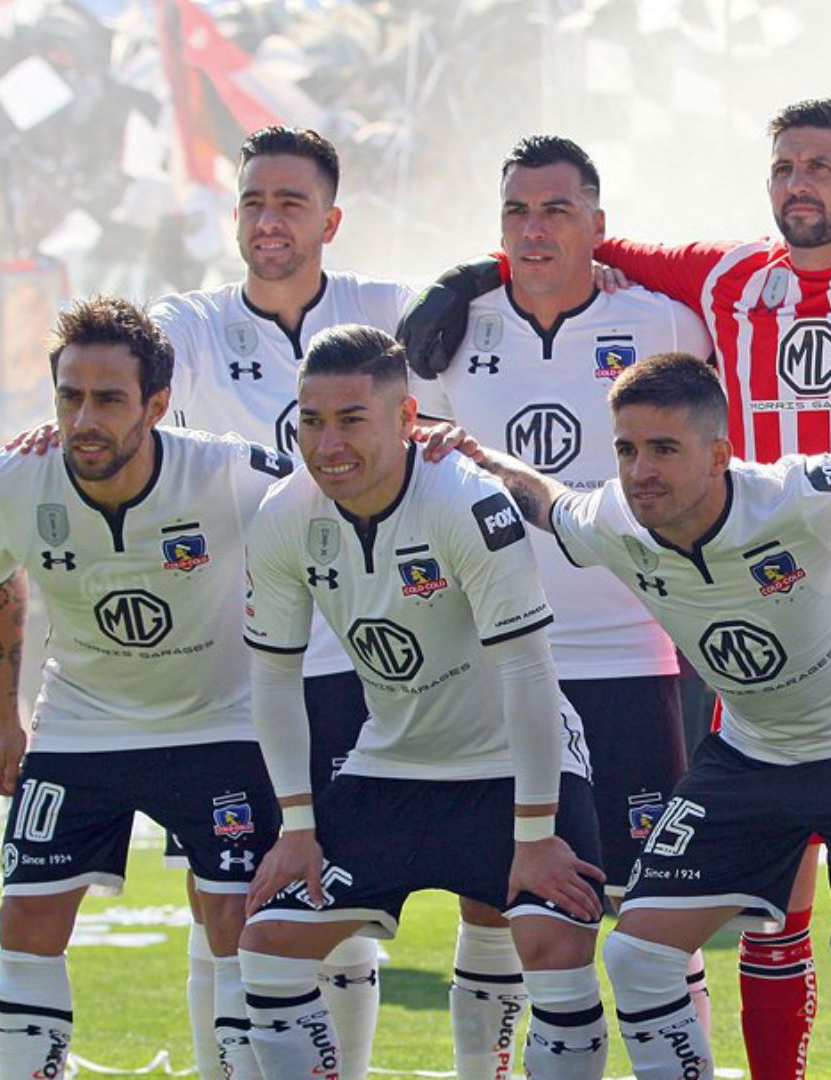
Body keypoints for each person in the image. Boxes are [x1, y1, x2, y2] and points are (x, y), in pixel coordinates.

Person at [402, 98, 831, 1078]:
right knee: (776, 904)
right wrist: (472, 276)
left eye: (821, 167)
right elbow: (588, 244)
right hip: (754, 615)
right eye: (783, 167)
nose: (798, 185)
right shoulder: (727, 278)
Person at [447, 351, 831, 1079]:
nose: (640, 471)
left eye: (664, 449)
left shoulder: (796, 495)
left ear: (719, 454)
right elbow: (544, 500)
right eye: (626, 449)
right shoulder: (613, 521)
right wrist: (468, 452)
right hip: (752, 755)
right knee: (637, 956)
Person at [407, 135, 713, 1072]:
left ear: (597, 224)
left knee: (655, 911)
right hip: (495, 661)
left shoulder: (661, 322)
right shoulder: (453, 331)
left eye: (556, 211)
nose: (534, 230)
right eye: (517, 212)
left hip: (628, 655)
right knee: (493, 901)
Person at [237, 326, 606, 1079]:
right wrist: (297, 828)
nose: (328, 444)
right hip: (393, 764)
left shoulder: (467, 500)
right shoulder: (284, 513)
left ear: (408, 418)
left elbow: (528, 670)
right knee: (269, 948)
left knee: (555, 947)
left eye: (352, 420)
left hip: (513, 767)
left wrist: (535, 834)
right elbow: (272, 678)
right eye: (312, 421)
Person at [148, 126, 412, 1078]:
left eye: (291, 203)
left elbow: (492, 305)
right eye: (254, 201)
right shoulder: (189, 322)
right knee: (221, 897)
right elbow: (113, 369)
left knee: (339, 899)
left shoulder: (387, 310)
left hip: (357, 660)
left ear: (330, 222)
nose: (269, 220)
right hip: (229, 664)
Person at [0, 297, 288, 1079]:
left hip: (218, 722)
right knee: (24, 919)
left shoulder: (226, 471)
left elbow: (338, 494)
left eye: (109, 399)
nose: (85, 420)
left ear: (156, 404)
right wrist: (6, 719)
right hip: (80, 724)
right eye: (69, 397)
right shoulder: (11, 479)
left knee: (238, 921)